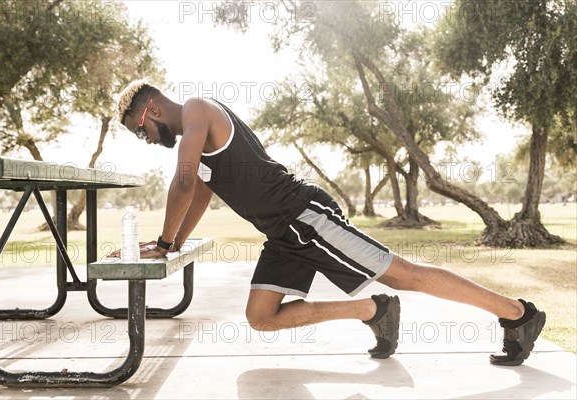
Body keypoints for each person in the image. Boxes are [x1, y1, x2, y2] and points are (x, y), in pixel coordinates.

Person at [112, 79, 545, 365]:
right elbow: (202, 191)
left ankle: (517, 314)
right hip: (282, 233)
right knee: (262, 317)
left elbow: (184, 182)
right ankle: (373, 310)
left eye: (139, 130)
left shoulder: (197, 109)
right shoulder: (194, 134)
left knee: (404, 275)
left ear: (150, 108)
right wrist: (175, 242)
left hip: (304, 216)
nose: (145, 139)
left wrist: (165, 244)